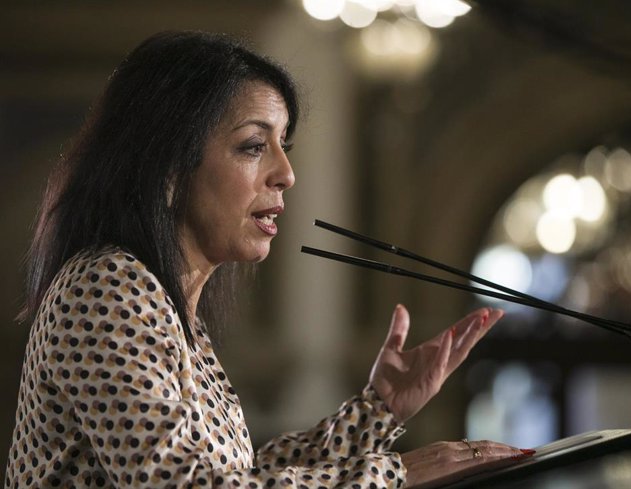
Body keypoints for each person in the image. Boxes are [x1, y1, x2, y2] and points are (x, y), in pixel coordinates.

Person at [5, 31, 532, 489]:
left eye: (285, 145)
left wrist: (378, 411)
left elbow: (240, 474)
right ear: (168, 165)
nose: (286, 173)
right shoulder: (106, 287)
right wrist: (393, 475)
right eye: (254, 146)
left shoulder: (163, 300)